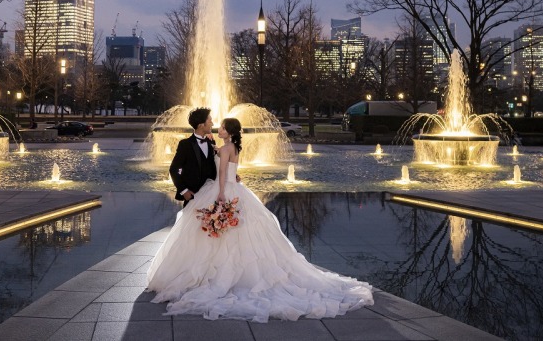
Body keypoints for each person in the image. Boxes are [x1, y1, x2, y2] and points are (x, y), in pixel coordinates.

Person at [147, 117, 373, 322]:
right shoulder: (229, 146)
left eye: (222, 127)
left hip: (222, 190)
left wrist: (221, 193)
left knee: (219, 232)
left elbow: (222, 172)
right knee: (231, 232)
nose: (217, 127)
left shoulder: (224, 148)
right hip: (233, 189)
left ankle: (214, 274)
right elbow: (221, 164)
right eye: (213, 123)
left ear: (229, 131)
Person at [168, 107, 217, 206]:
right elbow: (174, 169)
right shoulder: (185, 144)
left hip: (211, 196)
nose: (212, 124)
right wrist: (184, 190)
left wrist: (232, 175)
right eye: (210, 121)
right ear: (201, 125)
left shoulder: (211, 142)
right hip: (193, 197)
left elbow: (216, 164)